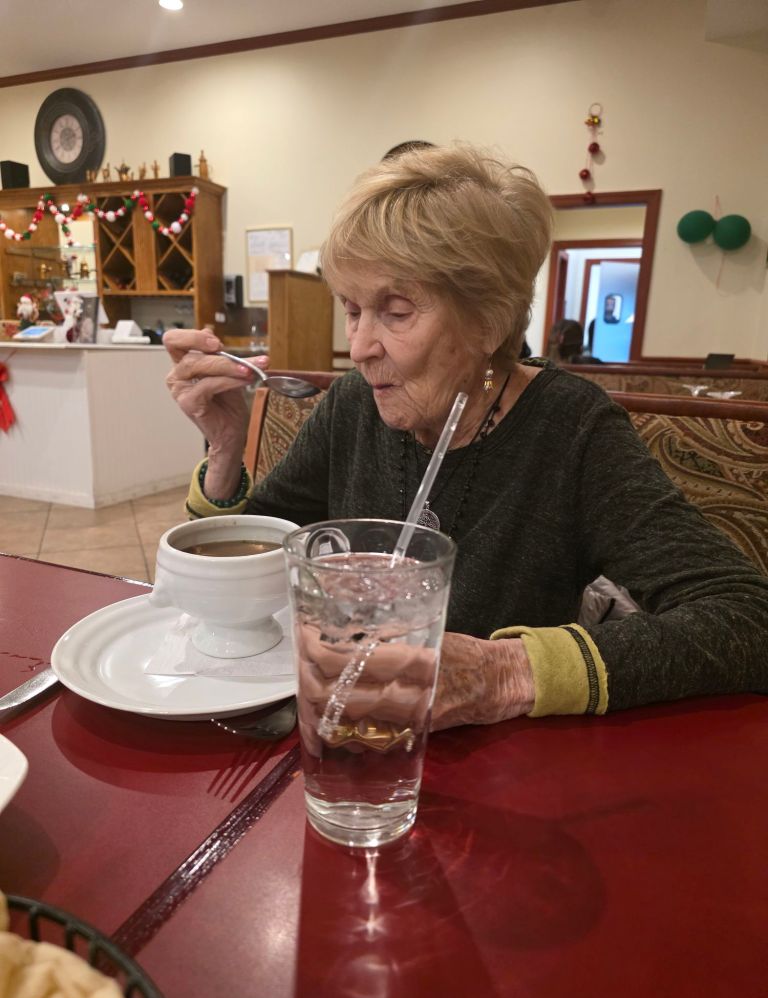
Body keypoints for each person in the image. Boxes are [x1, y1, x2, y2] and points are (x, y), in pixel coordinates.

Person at [163, 144, 768, 730]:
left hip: (508, 767)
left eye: (396, 311)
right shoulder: (354, 404)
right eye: (352, 309)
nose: (361, 346)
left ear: (488, 321)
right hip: (354, 731)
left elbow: (748, 617)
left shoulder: (570, 428)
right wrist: (224, 452)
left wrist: (501, 674)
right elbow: (263, 554)